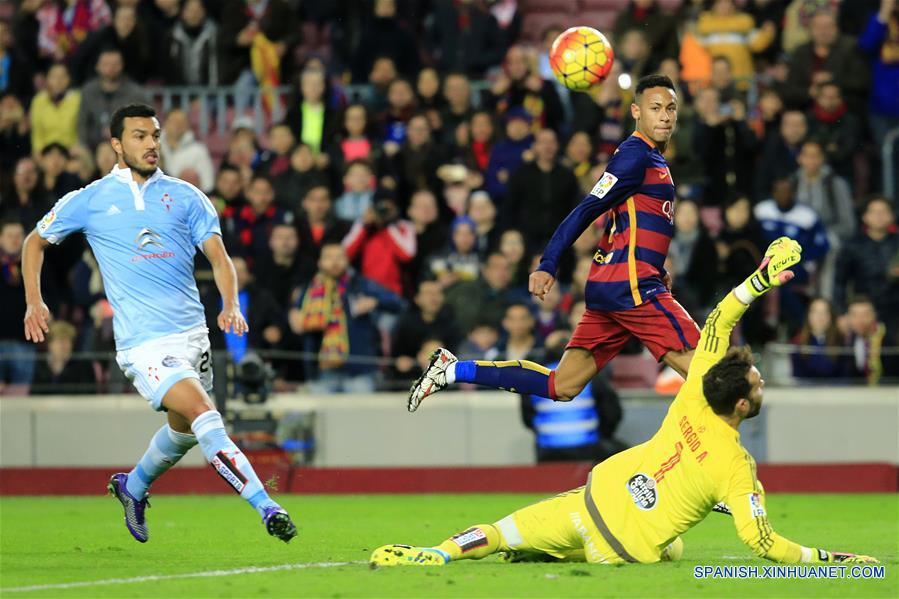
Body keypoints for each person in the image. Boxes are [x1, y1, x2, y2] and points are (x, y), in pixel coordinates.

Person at [372, 238, 878, 568]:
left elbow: (721, 317)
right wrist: (831, 558)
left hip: (592, 501)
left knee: (503, 531)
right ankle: (555, 550)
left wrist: (760, 280)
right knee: (674, 543)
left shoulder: (696, 388)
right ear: (743, 406)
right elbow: (763, 545)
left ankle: (439, 553)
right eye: (758, 380)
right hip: (624, 553)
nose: (761, 380)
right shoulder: (738, 466)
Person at [21, 103, 296, 543]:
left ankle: (133, 486)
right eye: (139, 136)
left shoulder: (188, 196)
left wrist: (231, 303)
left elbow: (219, 258)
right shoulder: (90, 199)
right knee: (206, 416)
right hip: (144, 344)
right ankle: (267, 506)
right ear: (116, 144)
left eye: (154, 135)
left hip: (194, 335)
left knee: (184, 431)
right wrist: (34, 302)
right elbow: (35, 243)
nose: (151, 144)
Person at [408, 75, 700, 413]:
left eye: (671, 108)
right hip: (632, 288)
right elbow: (588, 208)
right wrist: (549, 262)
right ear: (636, 111)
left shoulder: (651, 159)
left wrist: (655, 264)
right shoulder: (635, 157)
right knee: (711, 374)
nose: (665, 116)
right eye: (655, 108)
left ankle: (452, 369)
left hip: (616, 287)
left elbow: (630, 222)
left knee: (561, 385)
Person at [790, 297, 852, 380]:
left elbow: (844, 377)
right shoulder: (797, 342)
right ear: (808, 315)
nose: (820, 316)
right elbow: (797, 377)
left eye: (824, 312)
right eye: (815, 312)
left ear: (830, 316)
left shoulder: (841, 341)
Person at [30, 320, 97, 394]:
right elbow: (34, 395)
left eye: (66, 340)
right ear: (50, 345)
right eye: (59, 341)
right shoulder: (41, 365)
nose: (63, 346)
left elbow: (89, 395)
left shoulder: (84, 365)